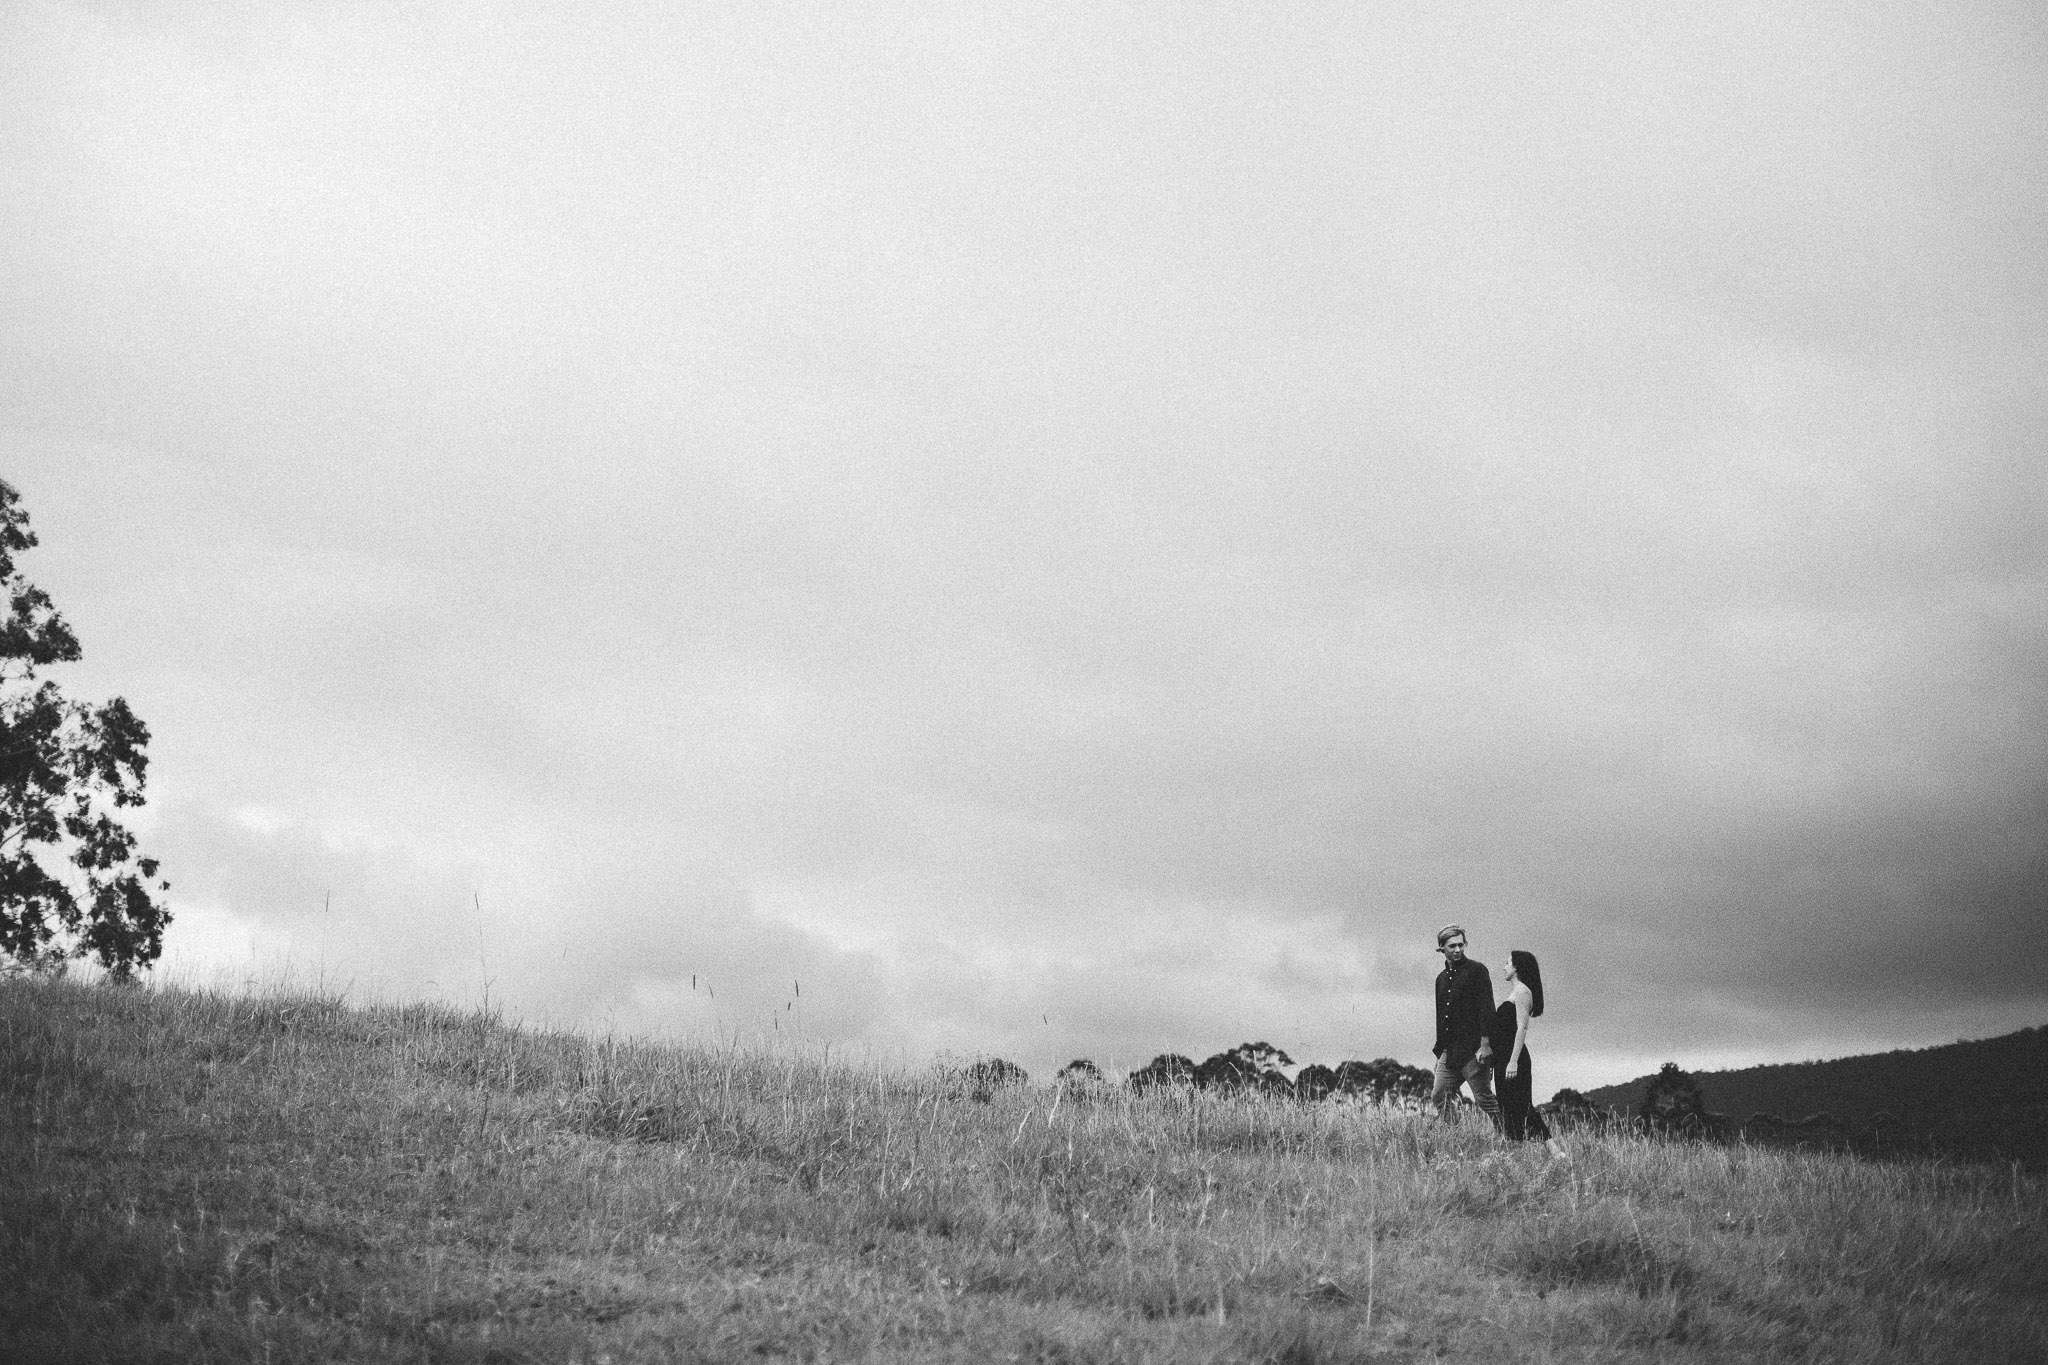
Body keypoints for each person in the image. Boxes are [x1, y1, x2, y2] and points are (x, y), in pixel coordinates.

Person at [1492, 949, 1568, 1158]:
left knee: (1521, 1105)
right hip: (1503, 1058)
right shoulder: (1515, 991)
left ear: (1517, 967)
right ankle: (1516, 1152)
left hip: (1514, 1059)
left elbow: (1522, 1028)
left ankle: (1554, 1151)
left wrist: (1513, 1061)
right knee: (1507, 1107)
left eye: (1508, 962)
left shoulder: (1522, 991)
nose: (1504, 966)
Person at [1429, 924, 1502, 1129]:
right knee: (1439, 1095)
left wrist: (1486, 1045)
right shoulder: (1441, 979)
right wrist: (1439, 1054)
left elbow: (1487, 1008)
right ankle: (1457, 1135)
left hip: (1474, 1050)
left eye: (1461, 944)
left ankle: (1509, 1136)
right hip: (1449, 1051)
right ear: (1441, 948)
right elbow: (1441, 1018)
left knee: (1484, 1100)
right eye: (1452, 946)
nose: (1458, 949)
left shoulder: (1477, 971)